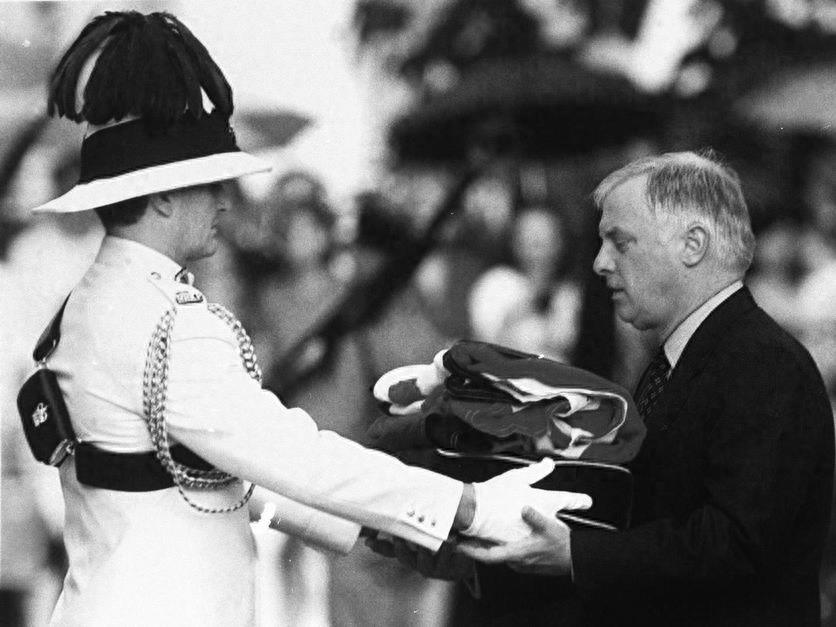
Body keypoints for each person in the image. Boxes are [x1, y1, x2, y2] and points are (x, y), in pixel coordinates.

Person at [24, 11, 592, 626]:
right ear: (162, 197)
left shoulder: (91, 304)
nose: (224, 201)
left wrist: (374, 531)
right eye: (210, 184)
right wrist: (469, 506)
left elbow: (197, 476)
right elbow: (292, 454)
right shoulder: (169, 324)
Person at [458, 151, 835, 626]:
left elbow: (735, 544)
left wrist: (579, 553)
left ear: (692, 244)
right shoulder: (694, 355)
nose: (599, 263)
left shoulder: (761, 362)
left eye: (620, 242)